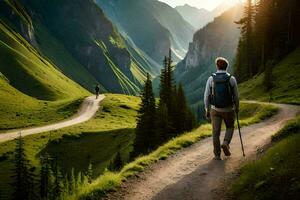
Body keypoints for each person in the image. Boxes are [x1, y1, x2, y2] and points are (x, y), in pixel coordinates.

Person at [203, 57, 239, 160]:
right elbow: (236, 96)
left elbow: (206, 96)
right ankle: (226, 143)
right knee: (230, 127)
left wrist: (207, 109)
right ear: (226, 67)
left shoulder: (211, 79)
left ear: (217, 66)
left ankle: (217, 155)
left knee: (215, 132)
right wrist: (237, 107)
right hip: (228, 109)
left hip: (215, 109)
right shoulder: (231, 79)